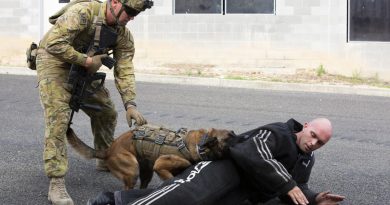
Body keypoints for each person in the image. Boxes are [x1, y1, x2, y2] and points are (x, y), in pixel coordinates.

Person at [35, 0, 152, 204]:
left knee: (107, 112)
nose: (132, 18)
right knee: (58, 120)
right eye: (131, 11)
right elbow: (53, 43)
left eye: (136, 14)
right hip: (54, 62)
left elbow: (124, 68)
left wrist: (130, 104)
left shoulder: (122, 34)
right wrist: (87, 61)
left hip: (83, 68)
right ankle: (56, 182)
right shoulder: (83, 13)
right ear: (115, 2)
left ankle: (106, 157)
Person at [88, 118, 345, 205]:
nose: (313, 143)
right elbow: (253, 152)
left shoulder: (305, 160)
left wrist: (314, 198)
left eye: (320, 142)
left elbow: (295, 188)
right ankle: (111, 201)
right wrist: (287, 183)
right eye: (313, 135)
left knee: (176, 198)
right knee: (179, 199)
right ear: (307, 126)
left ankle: (112, 200)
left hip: (240, 193)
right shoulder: (280, 132)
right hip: (223, 171)